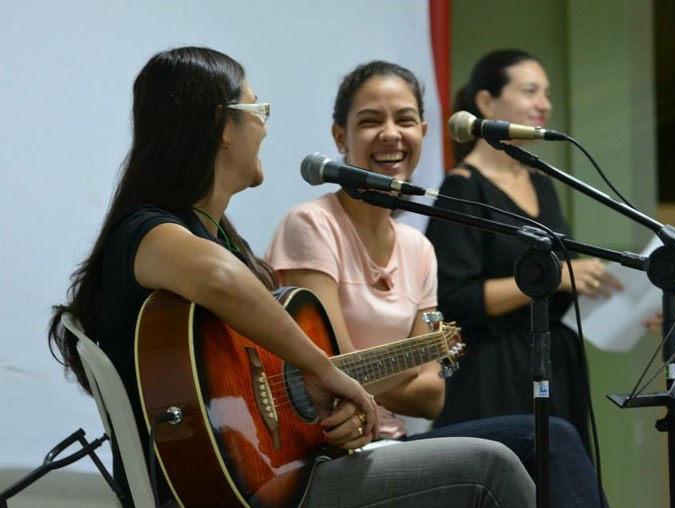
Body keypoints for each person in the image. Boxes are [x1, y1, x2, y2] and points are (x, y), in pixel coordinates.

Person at [47, 47, 535, 508]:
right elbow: (219, 278)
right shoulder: (146, 232)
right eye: (257, 110)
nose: (264, 128)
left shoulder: (221, 240)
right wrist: (326, 370)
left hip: (277, 478)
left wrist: (335, 424)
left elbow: (263, 395)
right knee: (493, 467)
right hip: (232, 492)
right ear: (222, 126)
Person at [267, 60, 606, 507]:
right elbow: (336, 366)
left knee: (549, 436)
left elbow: (432, 396)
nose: (391, 133)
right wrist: (387, 366)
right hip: (325, 455)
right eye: (370, 121)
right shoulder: (312, 224)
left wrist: (360, 372)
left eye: (405, 120)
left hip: (390, 444)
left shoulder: (417, 247)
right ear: (339, 138)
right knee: (513, 454)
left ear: (424, 131)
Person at [424, 49, 623, 450]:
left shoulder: (541, 183)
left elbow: (562, 280)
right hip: (493, 371)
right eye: (530, 91)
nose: (544, 104)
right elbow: (455, 298)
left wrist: (623, 299)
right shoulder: (463, 187)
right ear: (485, 102)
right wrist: (556, 279)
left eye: (546, 94)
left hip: (553, 361)